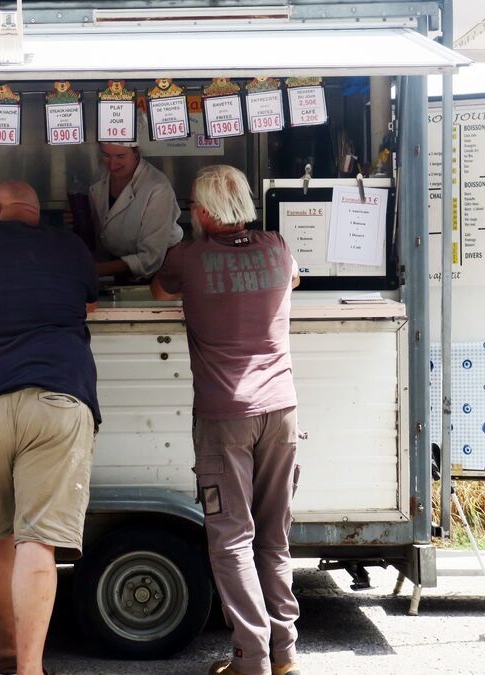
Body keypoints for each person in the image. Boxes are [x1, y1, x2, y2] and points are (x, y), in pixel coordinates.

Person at [0, 181, 99, 675]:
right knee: (37, 542)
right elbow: (88, 304)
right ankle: (29, 669)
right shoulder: (71, 248)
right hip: (57, 396)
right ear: (37, 211)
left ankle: (3, 650)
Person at [150, 165, 302, 675]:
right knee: (273, 537)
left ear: (208, 212)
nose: (192, 212)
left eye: (194, 205)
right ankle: (285, 656)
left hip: (225, 415)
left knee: (232, 537)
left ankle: (250, 659)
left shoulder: (188, 258)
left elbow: (158, 292)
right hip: (281, 409)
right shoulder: (277, 247)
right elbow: (294, 279)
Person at [88, 141, 183, 281]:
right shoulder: (100, 175)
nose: (112, 164)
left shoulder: (157, 188)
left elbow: (150, 259)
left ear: (136, 152)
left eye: (120, 156)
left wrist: (96, 269)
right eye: (106, 155)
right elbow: (103, 224)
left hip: (159, 271)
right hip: (113, 263)